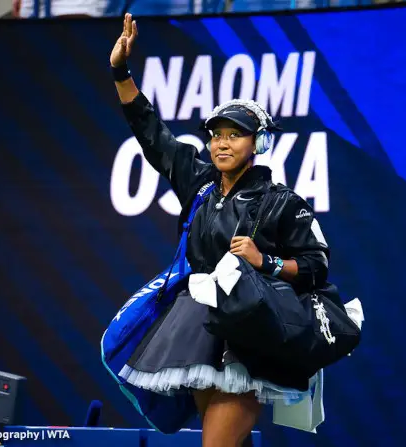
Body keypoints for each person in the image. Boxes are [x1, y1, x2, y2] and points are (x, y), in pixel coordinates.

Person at [110, 13, 331, 447]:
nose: (222, 143)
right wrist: (120, 71)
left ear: (259, 143)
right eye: (216, 135)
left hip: (249, 335)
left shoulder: (282, 201)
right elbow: (151, 131)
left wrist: (264, 260)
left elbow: (316, 267)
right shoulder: (198, 181)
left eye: (235, 135)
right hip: (199, 327)